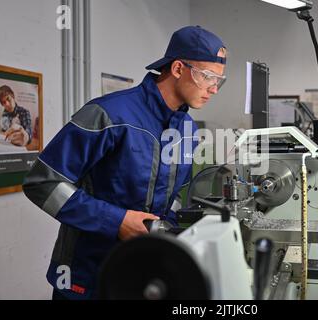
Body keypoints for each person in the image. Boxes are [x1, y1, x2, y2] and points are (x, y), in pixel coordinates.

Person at [22, 25, 227, 300]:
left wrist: (167, 233)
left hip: (143, 274)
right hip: (86, 275)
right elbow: (43, 182)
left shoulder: (187, 130)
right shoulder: (108, 114)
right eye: (207, 76)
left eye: (219, 80)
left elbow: (176, 193)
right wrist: (117, 220)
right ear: (178, 69)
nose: (214, 88)